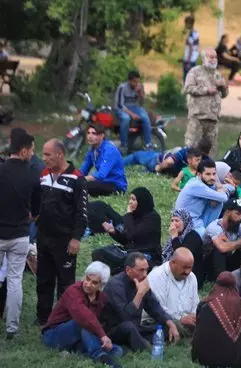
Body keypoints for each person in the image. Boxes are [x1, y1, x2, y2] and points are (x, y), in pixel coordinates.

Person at [36, 139, 88, 326]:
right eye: (43, 154)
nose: (44, 158)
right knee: (43, 279)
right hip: (43, 238)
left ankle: (62, 319)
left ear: (60, 154)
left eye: (48, 154)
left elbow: (82, 213)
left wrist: (75, 238)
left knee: (65, 283)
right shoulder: (43, 175)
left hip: (64, 241)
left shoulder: (76, 178)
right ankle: (43, 317)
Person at [42, 261, 123, 368]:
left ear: (101, 285)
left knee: (117, 350)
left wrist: (104, 338)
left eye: (94, 283)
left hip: (79, 337)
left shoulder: (101, 298)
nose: (88, 284)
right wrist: (102, 336)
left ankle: (77, 353)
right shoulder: (74, 291)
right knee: (81, 323)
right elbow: (83, 316)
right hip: (54, 335)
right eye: (87, 279)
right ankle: (100, 356)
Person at [0, 129, 40, 339]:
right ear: (23, 151)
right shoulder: (33, 174)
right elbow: (36, 210)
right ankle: (12, 328)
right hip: (20, 236)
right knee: (15, 281)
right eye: (32, 149)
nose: (33, 153)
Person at [101, 252, 180, 352]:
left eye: (146, 269)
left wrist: (170, 323)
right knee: (128, 327)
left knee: (164, 326)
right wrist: (139, 294)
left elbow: (154, 307)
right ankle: (144, 347)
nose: (145, 274)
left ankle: (139, 342)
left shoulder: (141, 281)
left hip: (136, 327)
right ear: (128, 270)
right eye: (141, 270)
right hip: (115, 330)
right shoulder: (115, 285)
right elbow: (125, 317)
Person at [192, 271, 241, 368]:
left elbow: (198, 336)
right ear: (234, 286)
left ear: (216, 285)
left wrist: (195, 355)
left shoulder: (205, 305)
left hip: (208, 361)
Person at [92, 187, 162, 273]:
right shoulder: (135, 215)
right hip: (131, 251)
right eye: (130, 199)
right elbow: (126, 240)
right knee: (98, 254)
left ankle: (126, 274)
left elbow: (132, 234)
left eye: (133, 199)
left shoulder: (153, 218)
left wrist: (128, 215)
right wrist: (113, 232)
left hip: (147, 255)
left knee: (128, 260)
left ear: (141, 201)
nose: (130, 202)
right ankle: (121, 274)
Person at [184, 48, 229, 159]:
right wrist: (206, 90)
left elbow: (224, 94)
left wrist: (223, 86)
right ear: (204, 58)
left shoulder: (218, 74)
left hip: (213, 119)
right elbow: (188, 88)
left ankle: (208, 172)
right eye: (211, 57)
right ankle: (188, 172)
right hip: (198, 118)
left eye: (215, 57)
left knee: (211, 151)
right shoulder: (195, 72)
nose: (214, 60)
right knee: (193, 148)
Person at [147, 248, 199, 338]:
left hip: (185, 319)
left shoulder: (192, 277)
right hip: (161, 319)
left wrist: (194, 317)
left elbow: (195, 303)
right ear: (172, 262)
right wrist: (180, 319)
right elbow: (158, 308)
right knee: (175, 327)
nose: (187, 271)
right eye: (184, 267)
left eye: (190, 267)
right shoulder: (157, 276)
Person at [203, 199, 241, 280]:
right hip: (208, 265)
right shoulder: (215, 227)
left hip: (226, 262)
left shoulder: (239, 227)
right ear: (227, 212)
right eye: (238, 213)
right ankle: (221, 281)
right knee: (221, 249)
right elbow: (222, 248)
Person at [175, 159, 233, 236]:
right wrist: (220, 189)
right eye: (208, 174)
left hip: (197, 220)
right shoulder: (196, 185)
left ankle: (209, 228)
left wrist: (224, 188)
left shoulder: (206, 183)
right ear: (199, 174)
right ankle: (207, 231)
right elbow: (224, 198)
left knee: (218, 202)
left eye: (214, 174)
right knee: (211, 239)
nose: (212, 177)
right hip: (187, 223)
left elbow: (231, 188)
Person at [80, 125, 128, 197]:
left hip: (116, 186)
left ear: (102, 136)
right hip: (102, 183)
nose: (90, 136)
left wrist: (80, 180)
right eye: (88, 133)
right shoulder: (92, 150)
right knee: (76, 185)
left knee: (85, 185)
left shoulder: (109, 150)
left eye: (94, 133)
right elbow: (83, 171)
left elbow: (101, 175)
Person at [161, 209, 204, 284]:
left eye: (177, 221)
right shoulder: (179, 235)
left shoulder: (193, 236)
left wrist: (174, 237)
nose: (173, 224)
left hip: (190, 275)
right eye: (172, 221)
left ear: (185, 222)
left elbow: (182, 256)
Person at [114, 70, 152, 152]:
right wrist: (132, 114)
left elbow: (141, 104)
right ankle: (124, 144)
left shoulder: (139, 87)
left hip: (134, 107)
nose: (136, 83)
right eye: (135, 81)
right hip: (122, 108)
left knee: (145, 117)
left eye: (138, 81)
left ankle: (148, 144)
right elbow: (120, 105)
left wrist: (140, 94)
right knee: (126, 119)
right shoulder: (122, 88)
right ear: (129, 81)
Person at [182, 15, 200, 82]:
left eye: (186, 23)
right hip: (193, 58)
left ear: (189, 23)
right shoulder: (196, 33)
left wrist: (188, 61)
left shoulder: (191, 33)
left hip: (189, 59)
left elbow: (191, 47)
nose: (185, 25)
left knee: (187, 79)